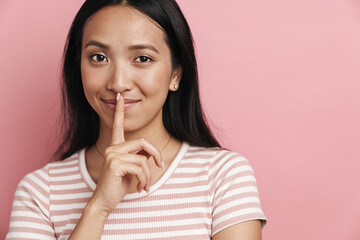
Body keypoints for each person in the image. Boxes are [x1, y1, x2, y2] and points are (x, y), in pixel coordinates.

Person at [6, 0, 267, 239]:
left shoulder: (222, 176)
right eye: (99, 57)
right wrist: (98, 207)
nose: (118, 83)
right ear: (78, 68)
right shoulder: (40, 192)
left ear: (175, 74)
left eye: (142, 58)